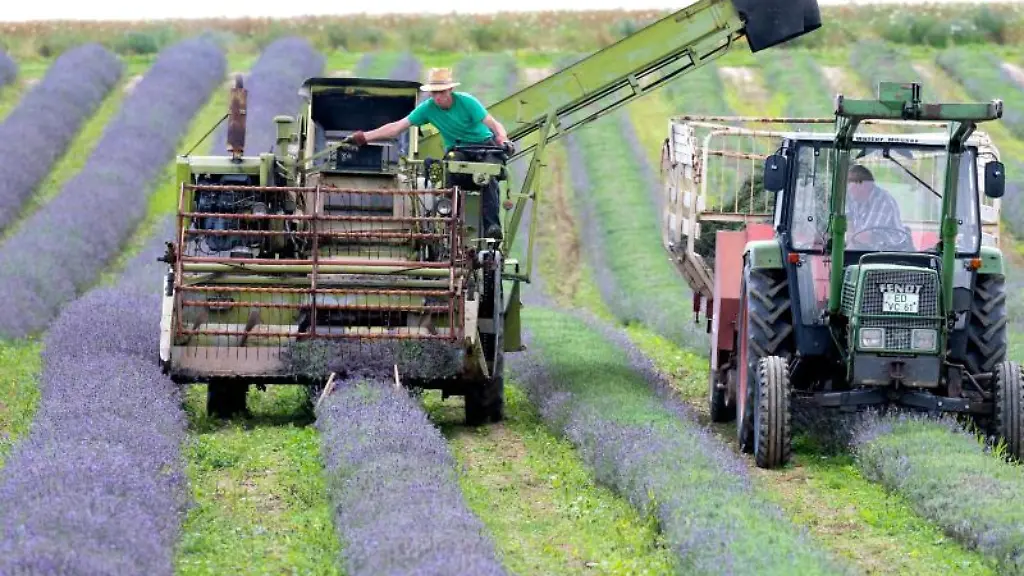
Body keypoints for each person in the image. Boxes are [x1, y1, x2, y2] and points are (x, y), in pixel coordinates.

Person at [344, 67, 514, 240]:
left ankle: (492, 227)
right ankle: (451, 227)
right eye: (434, 93)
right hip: (459, 150)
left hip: (485, 147)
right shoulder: (427, 109)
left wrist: (503, 139)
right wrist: (364, 137)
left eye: (441, 92)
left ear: (451, 90)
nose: (438, 97)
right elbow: (396, 127)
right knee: (451, 171)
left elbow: (494, 124)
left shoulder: (467, 102)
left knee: (488, 173)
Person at [844, 164, 910, 249]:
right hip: (867, 251)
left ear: (862, 184)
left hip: (892, 253)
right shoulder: (855, 199)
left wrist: (849, 245)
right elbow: (850, 223)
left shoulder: (883, 201)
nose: (848, 188)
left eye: (849, 183)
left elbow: (866, 236)